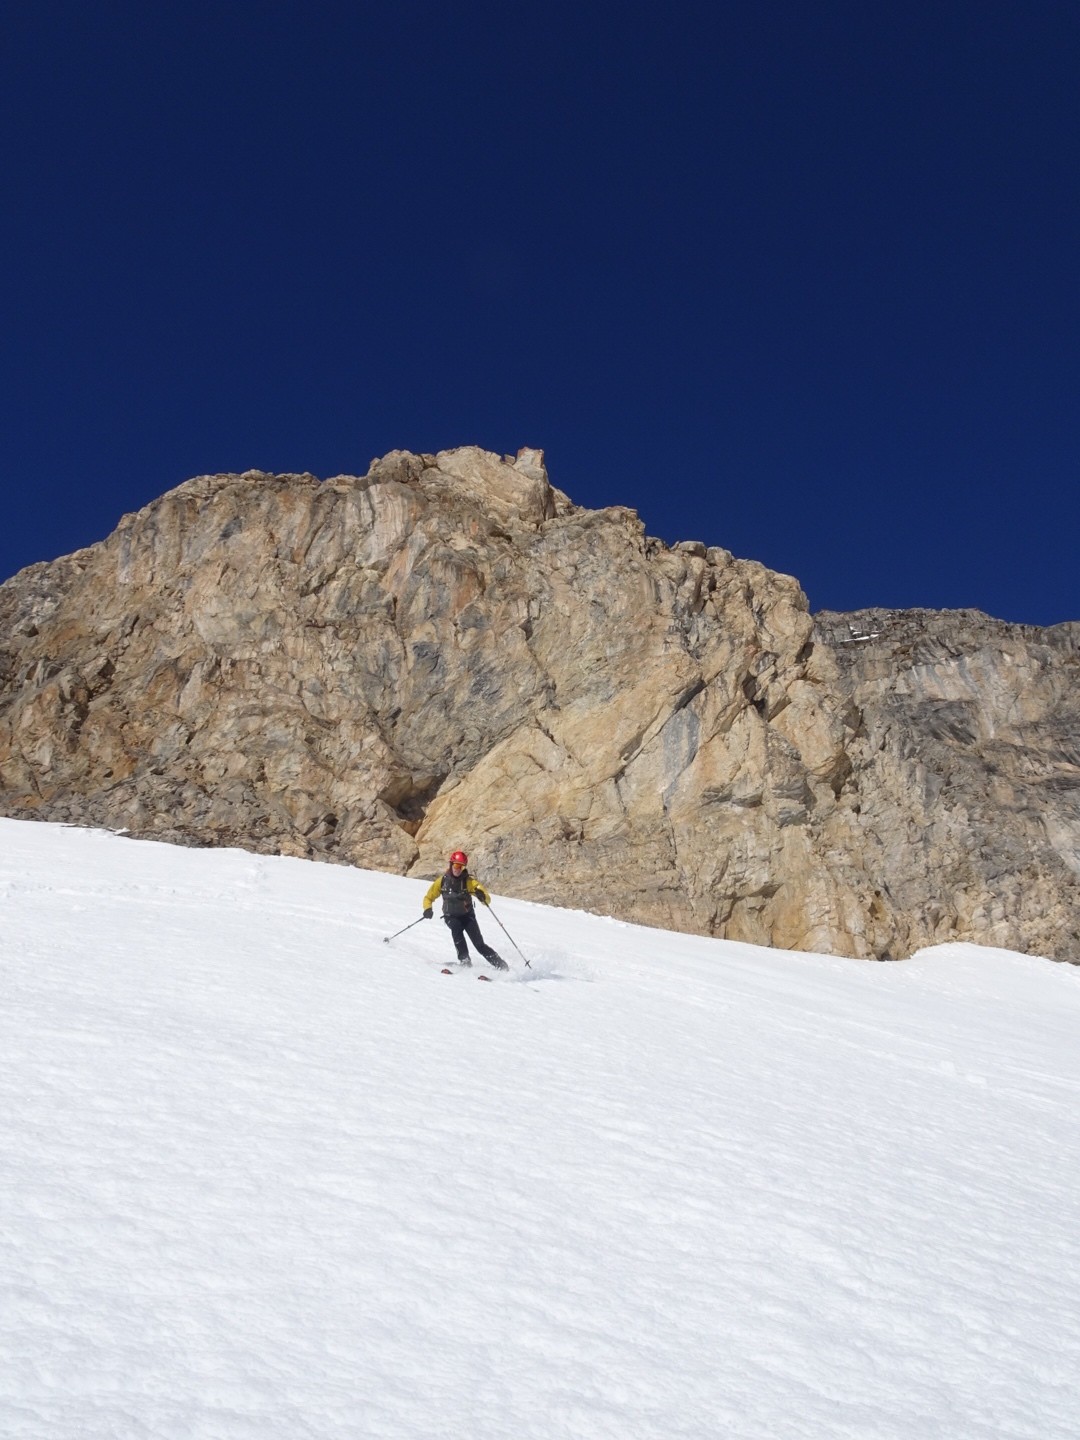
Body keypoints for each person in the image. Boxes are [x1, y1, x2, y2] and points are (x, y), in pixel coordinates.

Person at [423, 850, 508, 970]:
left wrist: (481, 896)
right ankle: (465, 962)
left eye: (461, 867)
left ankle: (501, 965)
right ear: (451, 864)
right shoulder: (442, 882)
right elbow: (428, 898)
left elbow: (487, 900)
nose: (458, 869)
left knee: (479, 944)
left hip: (467, 916)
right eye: (456, 865)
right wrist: (427, 909)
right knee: (456, 931)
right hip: (451, 916)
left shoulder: (469, 882)